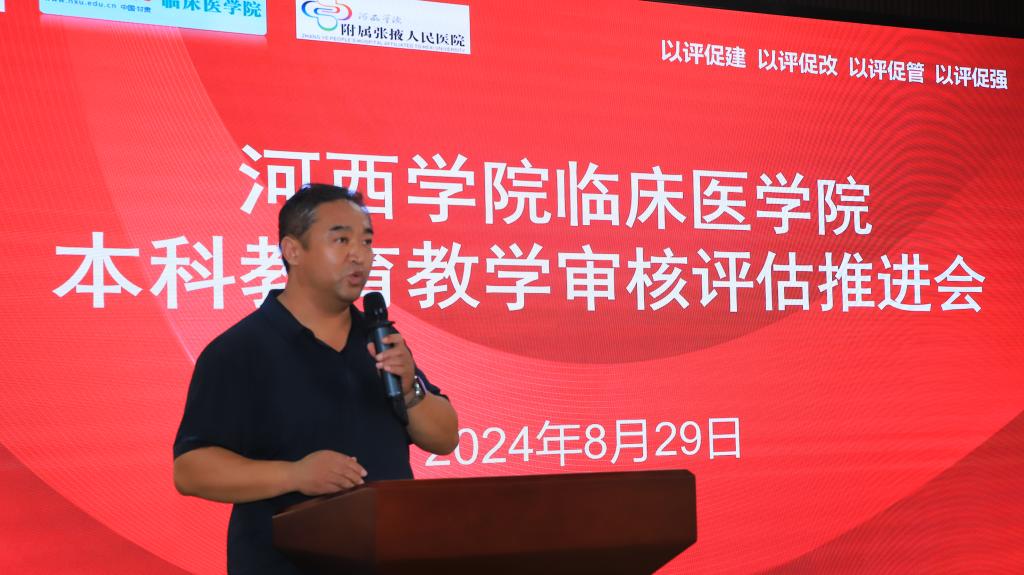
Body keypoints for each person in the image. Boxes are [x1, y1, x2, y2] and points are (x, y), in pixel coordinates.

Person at [172, 183, 459, 574]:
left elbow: (445, 438)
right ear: (293, 251)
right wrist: (294, 474)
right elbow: (190, 470)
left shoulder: (378, 340)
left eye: (367, 241)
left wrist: (409, 388)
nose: (359, 254)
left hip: (388, 557)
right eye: (341, 240)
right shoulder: (240, 350)